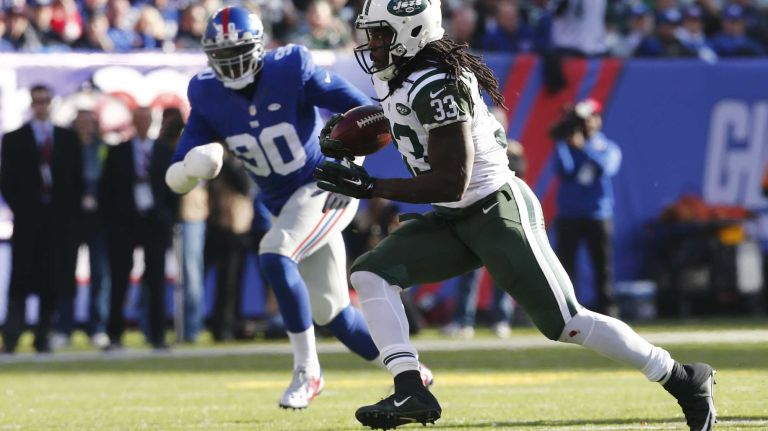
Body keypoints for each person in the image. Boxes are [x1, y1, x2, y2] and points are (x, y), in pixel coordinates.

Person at [313, 1, 716, 430]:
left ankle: (682, 378)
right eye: (370, 33)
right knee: (371, 274)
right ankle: (410, 387)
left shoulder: (438, 84)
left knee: (567, 322)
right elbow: (404, 124)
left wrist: (373, 186)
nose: (371, 44)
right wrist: (355, 134)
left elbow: (452, 180)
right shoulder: (399, 71)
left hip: (494, 209)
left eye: (380, 34)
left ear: (412, 33)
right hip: (452, 216)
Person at [164, 6, 431, 410]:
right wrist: (191, 169)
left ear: (257, 47)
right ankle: (411, 372)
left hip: (323, 186)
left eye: (238, 51)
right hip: (286, 206)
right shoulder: (206, 93)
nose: (231, 64)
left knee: (275, 252)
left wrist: (350, 163)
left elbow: (368, 114)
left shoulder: (290, 67)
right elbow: (175, 172)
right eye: (222, 56)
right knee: (333, 312)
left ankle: (308, 371)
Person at [0, 84, 83, 354]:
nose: (41, 106)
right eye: (37, 101)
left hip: (57, 222)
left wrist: (64, 213)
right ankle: (12, 336)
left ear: (52, 103)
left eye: (45, 101)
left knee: (51, 279)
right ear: (31, 105)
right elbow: (7, 181)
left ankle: (43, 335)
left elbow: (75, 181)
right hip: (28, 220)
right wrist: (23, 208)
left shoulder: (67, 139)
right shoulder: (14, 139)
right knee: (20, 279)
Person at [100, 106, 178, 351]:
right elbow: (107, 189)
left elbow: (174, 189)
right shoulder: (118, 152)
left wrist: (167, 216)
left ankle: (157, 335)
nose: (143, 124)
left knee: (156, 281)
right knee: (119, 280)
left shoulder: (165, 152)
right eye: (139, 120)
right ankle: (114, 335)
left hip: (155, 224)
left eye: (146, 120)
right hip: (124, 224)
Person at [552, 98, 621, 317]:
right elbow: (563, 169)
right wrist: (563, 142)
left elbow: (605, 167)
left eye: (591, 118)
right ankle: (568, 310)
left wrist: (584, 148)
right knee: (566, 266)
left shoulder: (607, 146)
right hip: (570, 213)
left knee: (602, 266)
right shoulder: (570, 145)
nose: (587, 123)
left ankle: (608, 309)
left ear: (598, 120)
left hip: (597, 213)